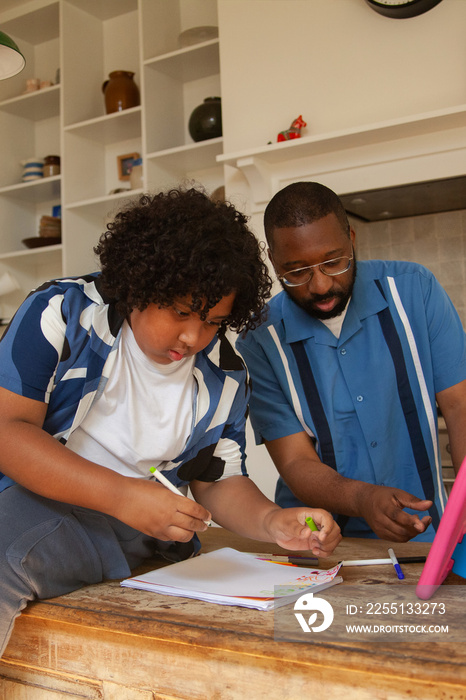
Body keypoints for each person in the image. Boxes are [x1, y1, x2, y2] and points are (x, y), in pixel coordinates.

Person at [0, 187, 342, 657]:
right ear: (140, 284)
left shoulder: (224, 374)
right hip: (38, 508)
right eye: (181, 312)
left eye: (213, 321)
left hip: (148, 545)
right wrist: (122, 495)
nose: (193, 336)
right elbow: (9, 433)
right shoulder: (62, 314)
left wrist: (272, 521)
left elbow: (218, 480)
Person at [237, 181, 466, 543]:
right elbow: (295, 461)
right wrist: (362, 498)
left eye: (334, 261)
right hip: (317, 543)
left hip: (428, 536)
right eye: (296, 272)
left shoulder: (414, 291)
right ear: (274, 262)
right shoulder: (260, 341)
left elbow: (460, 406)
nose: (321, 285)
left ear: (352, 239)